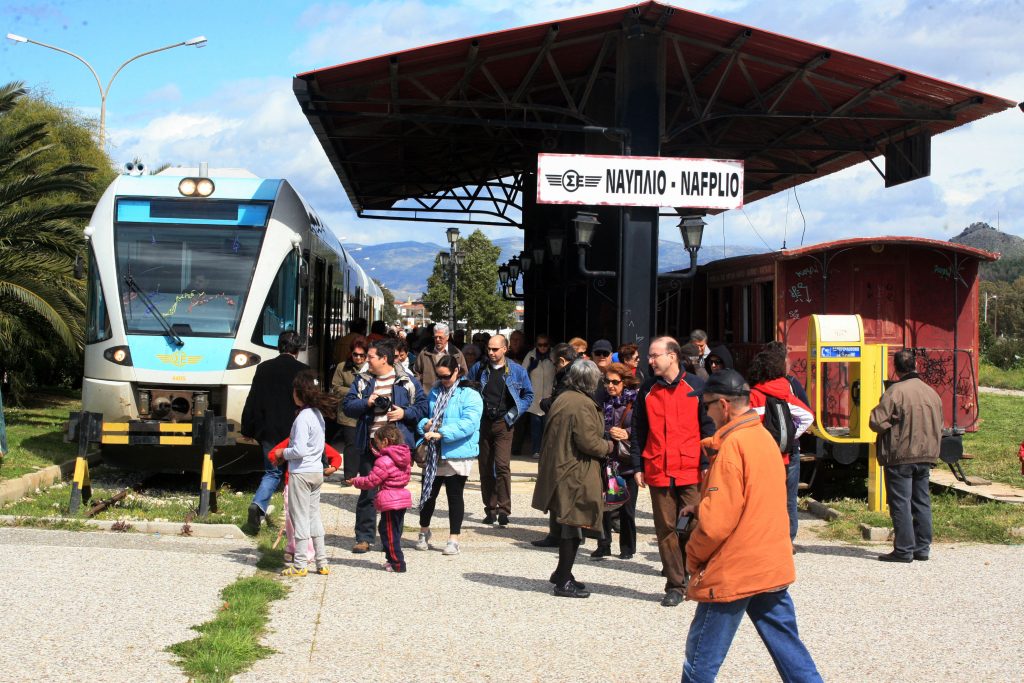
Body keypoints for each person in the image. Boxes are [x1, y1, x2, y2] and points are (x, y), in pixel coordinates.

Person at [681, 369, 822, 682]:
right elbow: (756, 497)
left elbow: (717, 525)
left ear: (724, 405)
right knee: (789, 650)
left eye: (706, 405)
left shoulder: (731, 447)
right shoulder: (763, 438)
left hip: (736, 567)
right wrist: (703, 504)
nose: (705, 412)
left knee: (700, 661)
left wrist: (692, 558)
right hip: (769, 560)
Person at [629, 336, 715, 607]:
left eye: (655, 356)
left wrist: (707, 462)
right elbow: (638, 430)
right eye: (649, 356)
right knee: (666, 529)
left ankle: (696, 574)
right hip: (657, 467)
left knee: (695, 524)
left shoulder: (697, 386)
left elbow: (708, 426)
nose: (649, 360)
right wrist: (637, 465)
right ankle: (675, 585)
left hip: (691, 467)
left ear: (672, 356)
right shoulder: (647, 389)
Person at [531, 360, 612, 598]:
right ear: (591, 381)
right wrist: (610, 445)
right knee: (573, 527)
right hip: (575, 473)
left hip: (562, 470)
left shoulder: (564, 398)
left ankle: (561, 573)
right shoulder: (582, 404)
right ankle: (563, 580)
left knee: (569, 525)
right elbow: (589, 443)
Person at [342, 339, 427, 553]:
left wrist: (404, 413)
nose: (367, 361)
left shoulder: (406, 380)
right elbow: (347, 407)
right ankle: (364, 538)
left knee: (393, 494)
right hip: (370, 444)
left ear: (384, 358)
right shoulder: (362, 380)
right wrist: (367, 402)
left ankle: (391, 539)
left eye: (370, 357)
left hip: (397, 449)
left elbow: (423, 407)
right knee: (368, 492)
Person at [869, 348, 943, 563]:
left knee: (901, 502)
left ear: (896, 368)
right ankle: (922, 548)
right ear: (916, 365)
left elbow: (876, 422)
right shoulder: (932, 392)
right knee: (922, 501)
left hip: (901, 455)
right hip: (926, 455)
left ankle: (903, 550)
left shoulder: (895, 392)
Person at [415, 355, 483, 556]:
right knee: (428, 493)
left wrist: (442, 432)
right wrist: (425, 425)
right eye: (439, 376)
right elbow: (425, 415)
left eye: (446, 376)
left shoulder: (470, 394)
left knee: (454, 495)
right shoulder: (435, 391)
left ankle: (454, 539)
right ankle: (423, 531)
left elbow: (469, 423)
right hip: (435, 449)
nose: (442, 380)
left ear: (457, 371)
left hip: (457, 451)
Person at [240, 330, 308, 532]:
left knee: (272, 472)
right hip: (295, 431)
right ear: (297, 349)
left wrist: (247, 428)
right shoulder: (303, 370)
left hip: (268, 430)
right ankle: (292, 519)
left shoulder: (263, 368)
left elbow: (253, 399)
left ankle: (259, 504)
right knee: (294, 474)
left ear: (279, 346)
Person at [275, 369, 338, 577]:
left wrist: (282, 452)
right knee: (313, 518)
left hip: (301, 473)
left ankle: (300, 564)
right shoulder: (318, 415)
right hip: (316, 472)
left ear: (299, 393)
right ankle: (322, 562)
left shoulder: (303, 418)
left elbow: (299, 450)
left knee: (299, 519)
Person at [468, 334, 534, 526]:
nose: (491, 352)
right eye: (489, 349)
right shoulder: (479, 368)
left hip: (504, 423)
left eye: (495, 349)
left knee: (502, 466)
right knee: (485, 467)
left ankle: (504, 509)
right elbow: (466, 385)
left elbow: (528, 394)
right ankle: (490, 509)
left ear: (505, 349)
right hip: (483, 423)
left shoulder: (517, 371)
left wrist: (515, 413)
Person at [763, 341, 813, 541]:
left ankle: (769, 537)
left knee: (766, 496)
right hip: (790, 448)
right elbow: (807, 414)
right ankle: (788, 538)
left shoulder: (757, 387)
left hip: (766, 448)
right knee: (790, 497)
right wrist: (793, 435)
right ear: (782, 361)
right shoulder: (791, 384)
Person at [531, 342, 580, 548]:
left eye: (554, 363)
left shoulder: (569, 376)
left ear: (561, 361)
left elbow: (562, 404)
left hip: (564, 437)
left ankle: (563, 535)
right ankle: (559, 533)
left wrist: (545, 402)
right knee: (559, 486)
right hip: (564, 435)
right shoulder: (576, 373)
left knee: (560, 486)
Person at [349, 424, 413, 572]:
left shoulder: (384, 460)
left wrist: (356, 481)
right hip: (400, 497)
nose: (376, 446)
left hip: (390, 500)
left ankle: (398, 563)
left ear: (384, 441)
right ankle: (391, 559)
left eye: (377, 443)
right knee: (389, 530)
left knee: (389, 533)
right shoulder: (404, 457)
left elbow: (372, 481)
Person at [592, 362, 640, 560]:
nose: (610, 385)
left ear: (625, 382)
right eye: (607, 381)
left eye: (615, 382)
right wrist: (606, 432)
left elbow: (642, 428)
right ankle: (603, 544)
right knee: (604, 506)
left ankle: (627, 547)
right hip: (606, 459)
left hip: (627, 461)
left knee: (627, 509)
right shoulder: (600, 400)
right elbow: (593, 425)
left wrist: (626, 433)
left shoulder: (636, 401)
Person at [330, 337, 368, 480]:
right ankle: (350, 476)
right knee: (351, 443)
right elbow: (336, 388)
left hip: (366, 410)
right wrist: (355, 391)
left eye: (362, 355)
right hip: (348, 412)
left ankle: (366, 474)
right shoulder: (342, 367)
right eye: (355, 354)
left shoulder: (371, 367)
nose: (358, 357)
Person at [521, 334, 556, 459]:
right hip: (534, 398)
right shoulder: (530, 356)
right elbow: (522, 374)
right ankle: (536, 450)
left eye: (545, 345)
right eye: (540, 345)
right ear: (536, 345)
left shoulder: (554, 356)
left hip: (549, 398)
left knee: (549, 426)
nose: (542, 347)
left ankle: (548, 450)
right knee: (535, 427)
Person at [412, 322, 468, 389]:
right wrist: (420, 390)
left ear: (447, 337)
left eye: (440, 337)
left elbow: (463, 374)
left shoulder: (456, 354)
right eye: (435, 337)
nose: (437, 340)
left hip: (450, 395)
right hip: (428, 395)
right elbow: (416, 372)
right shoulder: (425, 353)